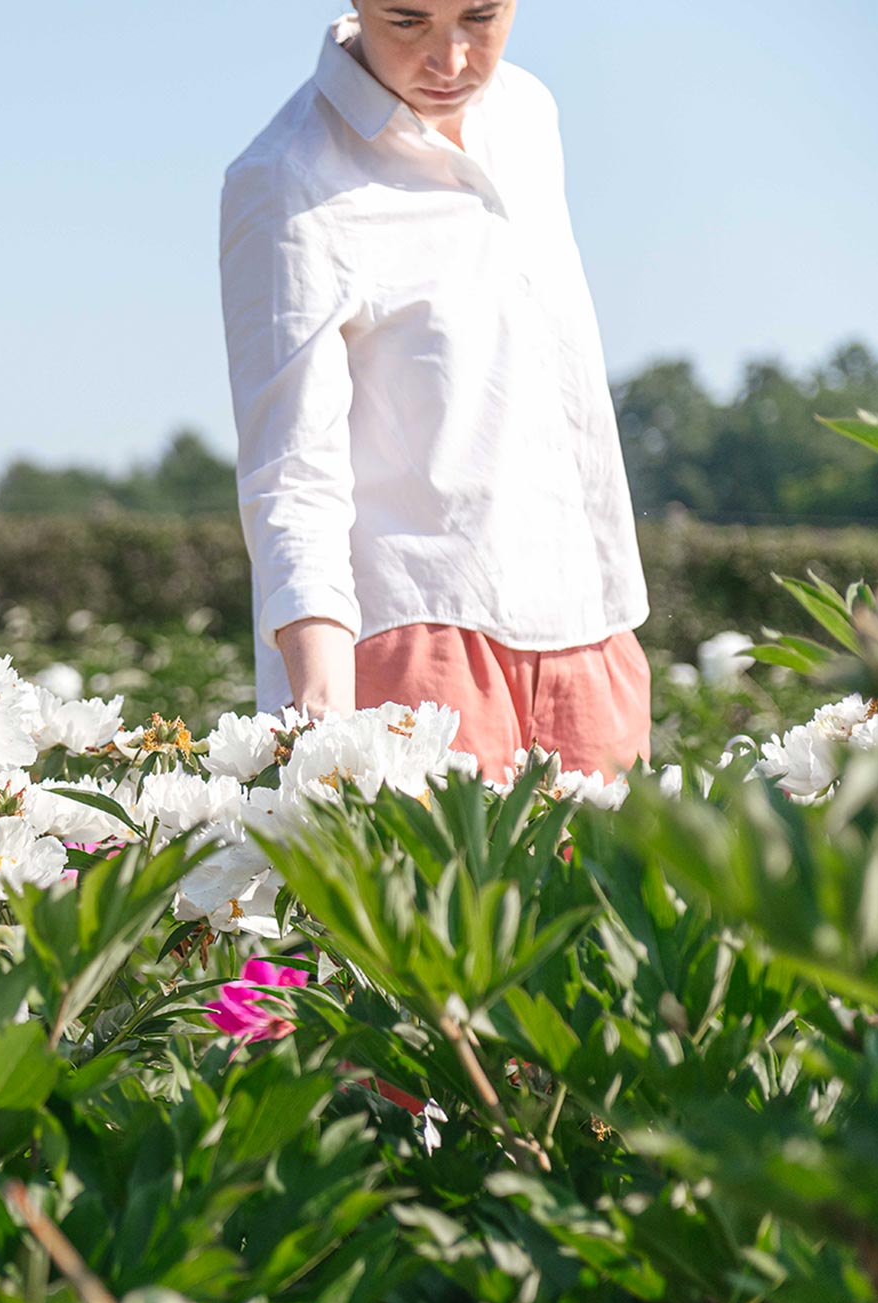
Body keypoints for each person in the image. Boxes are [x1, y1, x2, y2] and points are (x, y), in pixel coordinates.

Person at [218, 2, 651, 780]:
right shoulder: (290, 176)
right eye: (407, 23)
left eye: (480, 18)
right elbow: (291, 465)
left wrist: (611, 636)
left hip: (590, 622)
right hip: (414, 645)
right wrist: (321, 712)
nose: (450, 63)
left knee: (622, 903)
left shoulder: (527, 114)